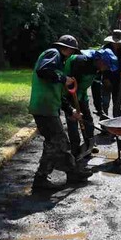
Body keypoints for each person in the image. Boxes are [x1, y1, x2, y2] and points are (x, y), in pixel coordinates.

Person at [28, 35, 93, 191]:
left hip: (48, 106)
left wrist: (70, 111)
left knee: (55, 142)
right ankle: (46, 177)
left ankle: (64, 174)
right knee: (59, 141)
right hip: (44, 107)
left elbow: (59, 93)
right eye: (72, 50)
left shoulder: (59, 62)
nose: (71, 54)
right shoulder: (53, 54)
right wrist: (64, 78)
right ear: (67, 48)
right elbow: (43, 70)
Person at [63, 48, 118, 158]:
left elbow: (96, 88)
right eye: (106, 66)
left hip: (81, 92)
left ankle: (89, 145)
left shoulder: (98, 68)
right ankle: (75, 150)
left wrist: (99, 109)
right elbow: (71, 84)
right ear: (100, 61)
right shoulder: (80, 62)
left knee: (88, 119)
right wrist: (72, 108)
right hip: (68, 92)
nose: (106, 69)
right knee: (73, 120)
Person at [102, 29, 121, 117]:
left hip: (118, 79)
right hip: (106, 79)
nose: (117, 44)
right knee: (105, 103)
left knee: (117, 103)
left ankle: (117, 123)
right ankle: (104, 122)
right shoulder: (105, 49)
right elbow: (102, 64)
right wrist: (105, 78)